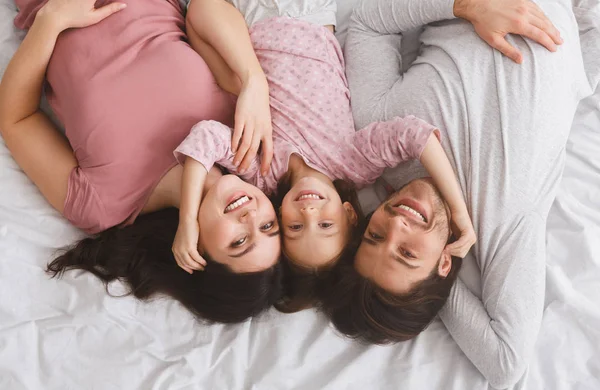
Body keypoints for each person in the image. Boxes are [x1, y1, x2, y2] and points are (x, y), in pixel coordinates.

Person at [320, 0, 597, 387]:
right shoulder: (503, 223)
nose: (397, 223)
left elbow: (369, 22)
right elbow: (506, 364)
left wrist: (468, 7)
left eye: (376, 234)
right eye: (407, 252)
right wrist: (435, 290)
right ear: (444, 265)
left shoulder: (385, 137)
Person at [173, 0, 474, 311]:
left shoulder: (261, 173)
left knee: (197, 11)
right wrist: (458, 211)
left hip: (244, 30)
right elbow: (416, 137)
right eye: (326, 225)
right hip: (306, 14)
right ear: (349, 213)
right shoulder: (354, 164)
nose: (309, 212)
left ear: (278, 217)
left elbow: (205, 138)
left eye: (295, 227)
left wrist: (189, 220)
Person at [0, 0, 282, 322]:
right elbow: (205, 7)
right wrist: (253, 80)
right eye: (268, 225)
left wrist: (51, 21)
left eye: (240, 241)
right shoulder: (239, 131)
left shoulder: (102, 205)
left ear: (198, 254)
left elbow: (16, 119)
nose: (250, 216)